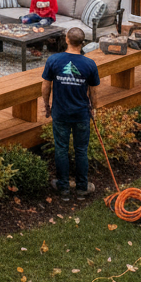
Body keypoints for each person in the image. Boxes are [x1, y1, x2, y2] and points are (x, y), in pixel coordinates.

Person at [41, 26, 100, 200]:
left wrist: (46, 104)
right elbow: (93, 92)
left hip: (61, 113)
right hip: (81, 113)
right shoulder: (89, 64)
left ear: (66, 39)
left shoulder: (54, 60)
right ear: (82, 43)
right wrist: (93, 109)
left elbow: (46, 85)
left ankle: (63, 187)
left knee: (61, 148)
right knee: (81, 150)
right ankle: (82, 188)